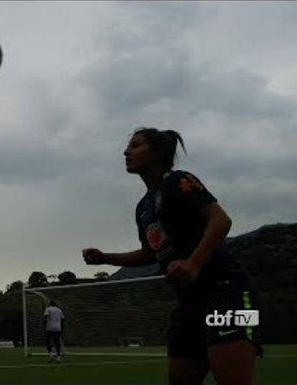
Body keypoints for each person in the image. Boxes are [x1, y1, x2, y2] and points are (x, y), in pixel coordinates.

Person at [82, 127, 262, 385]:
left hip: (229, 294)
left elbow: (220, 220)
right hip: (189, 304)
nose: (126, 151)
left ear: (158, 152)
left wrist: (194, 263)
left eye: (136, 145)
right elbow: (150, 253)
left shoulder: (179, 181)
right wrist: (106, 258)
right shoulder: (144, 207)